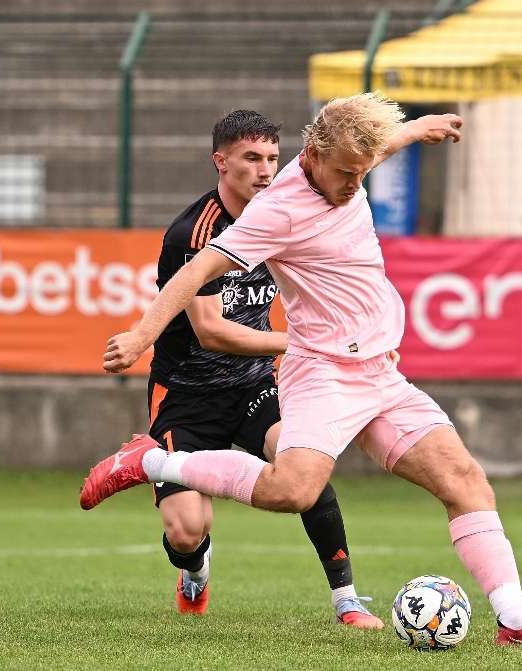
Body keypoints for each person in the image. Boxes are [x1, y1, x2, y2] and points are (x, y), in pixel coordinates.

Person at [82, 93, 522, 646]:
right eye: (347, 173)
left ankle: (516, 621)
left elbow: (375, 148)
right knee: (293, 490)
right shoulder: (277, 210)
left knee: (465, 480)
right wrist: (141, 335)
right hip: (322, 372)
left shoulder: (346, 162)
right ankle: (152, 461)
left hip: (380, 373)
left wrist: (419, 127)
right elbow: (195, 272)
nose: (355, 184)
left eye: (362, 171)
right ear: (312, 155)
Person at [144, 109, 381, 627]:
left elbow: (354, 157)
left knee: (303, 468)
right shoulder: (193, 232)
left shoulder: (284, 210)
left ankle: (347, 600)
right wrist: (303, 342)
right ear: (221, 162)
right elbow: (211, 331)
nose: (266, 170)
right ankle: (195, 570)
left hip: (255, 386)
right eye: (251, 158)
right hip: (187, 396)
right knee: (186, 530)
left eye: (272, 158)